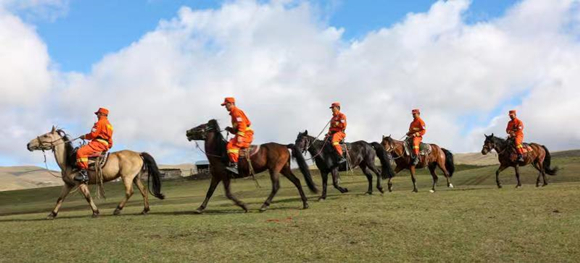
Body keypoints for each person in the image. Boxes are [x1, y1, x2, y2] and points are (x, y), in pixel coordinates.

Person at [75, 108, 114, 182]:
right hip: (104, 145)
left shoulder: (99, 123)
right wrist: (108, 145)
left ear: (101, 114)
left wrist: (84, 136)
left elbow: (93, 134)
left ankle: (84, 173)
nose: (97, 115)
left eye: (98, 114)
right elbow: (110, 139)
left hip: (98, 144)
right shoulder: (110, 126)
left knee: (80, 152)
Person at [222, 97, 254, 174]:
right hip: (244, 133)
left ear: (231, 104)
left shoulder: (236, 112)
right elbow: (237, 128)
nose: (225, 107)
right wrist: (230, 129)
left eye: (226, 105)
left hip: (246, 135)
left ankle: (234, 166)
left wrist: (240, 135)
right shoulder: (234, 113)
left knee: (231, 145)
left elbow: (242, 124)